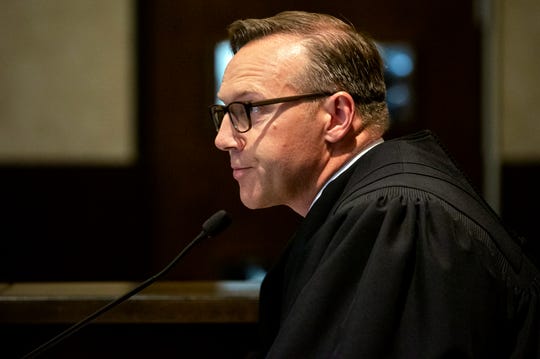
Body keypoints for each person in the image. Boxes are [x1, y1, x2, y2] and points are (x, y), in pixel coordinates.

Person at [209, 11, 540, 358]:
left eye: (248, 109)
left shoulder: (399, 215)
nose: (223, 138)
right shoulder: (371, 203)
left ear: (337, 117)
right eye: (224, 112)